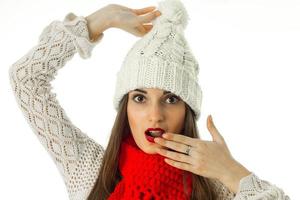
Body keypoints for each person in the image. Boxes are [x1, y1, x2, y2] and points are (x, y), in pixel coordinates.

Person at [8, 0, 290, 199]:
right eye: (140, 97)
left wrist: (232, 173)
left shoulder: (214, 188)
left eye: (170, 99)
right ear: (125, 107)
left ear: (187, 110)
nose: (155, 115)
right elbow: (25, 78)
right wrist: (101, 20)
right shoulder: (89, 170)